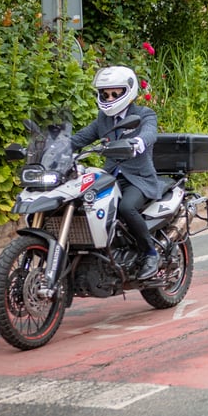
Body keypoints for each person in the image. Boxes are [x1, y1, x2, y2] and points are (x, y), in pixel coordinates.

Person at [71, 66, 164, 280]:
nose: (110, 98)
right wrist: (53, 147)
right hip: (110, 177)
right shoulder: (103, 119)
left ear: (128, 92)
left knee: (126, 207)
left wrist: (138, 142)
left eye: (115, 93)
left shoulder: (144, 114)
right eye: (105, 94)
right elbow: (80, 138)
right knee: (82, 203)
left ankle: (151, 254)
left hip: (138, 179)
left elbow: (150, 133)